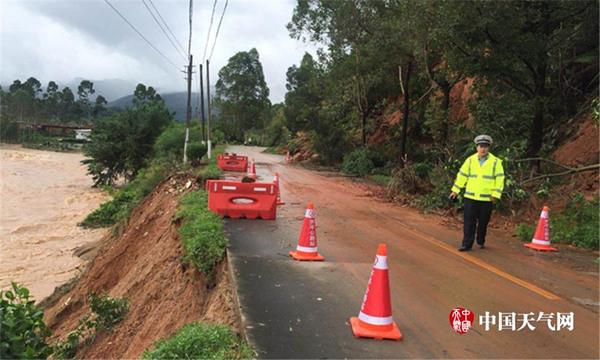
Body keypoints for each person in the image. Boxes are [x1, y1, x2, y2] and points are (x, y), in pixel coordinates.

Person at [449, 135, 505, 251]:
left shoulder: (495, 162)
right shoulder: (470, 161)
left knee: (483, 222)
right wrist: (455, 191)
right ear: (476, 147)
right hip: (470, 197)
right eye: (481, 146)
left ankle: (480, 239)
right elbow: (462, 176)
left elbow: (499, 179)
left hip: (486, 199)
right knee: (469, 222)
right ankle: (466, 244)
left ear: (488, 148)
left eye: (485, 146)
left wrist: (495, 195)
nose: (483, 149)